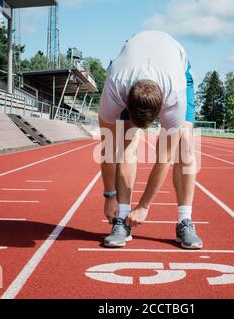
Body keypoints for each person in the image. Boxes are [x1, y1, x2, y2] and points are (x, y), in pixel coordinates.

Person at [98, 30, 202, 250]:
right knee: (126, 141)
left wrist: (144, 205)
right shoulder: (116, 85)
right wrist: (109, 196)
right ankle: (122, 220)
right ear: (126, 102)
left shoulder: (174, 92)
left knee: (184, 147)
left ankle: (185, 220)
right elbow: (107, 147)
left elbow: (165, 158)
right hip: (131, 69)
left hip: (177, 67)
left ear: (161, 111)